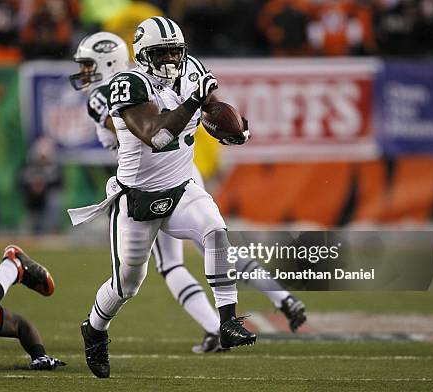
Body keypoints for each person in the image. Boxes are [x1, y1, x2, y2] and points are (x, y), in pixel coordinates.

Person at [70, 32, 307, 356]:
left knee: (213, 238)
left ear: (105, 60)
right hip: (140, 189)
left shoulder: (179, 72)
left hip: (179, 176)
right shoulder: (125, 87)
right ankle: (278, 299)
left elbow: (211, 108)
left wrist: (231, 123)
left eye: (87, 65)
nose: (84, 72)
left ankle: (222, 324)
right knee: (130, 280)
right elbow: (150, 133)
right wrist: (190, 104)